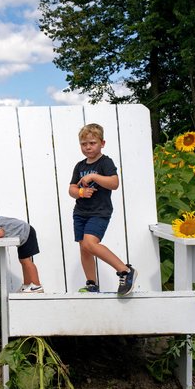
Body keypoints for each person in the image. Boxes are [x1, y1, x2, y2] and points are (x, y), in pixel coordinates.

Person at [69, 123, 137, 296]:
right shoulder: (79, 166)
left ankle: (125, 271)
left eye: (92, 143)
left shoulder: (105, 162)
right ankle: (92, 284)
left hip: (99, 212)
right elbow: (72, 190)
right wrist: (81, 192)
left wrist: (93, 176)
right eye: (84, 144)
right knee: (84, 247)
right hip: (80, 213)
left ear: (102, 143)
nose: (88, 147)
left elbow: (114, 183)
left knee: (91, 243)